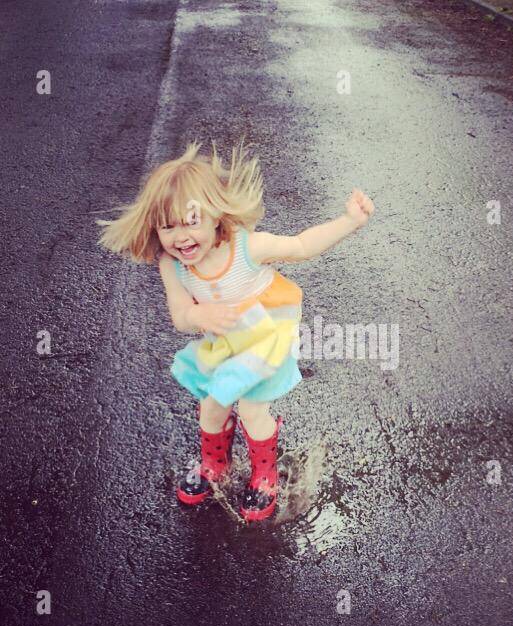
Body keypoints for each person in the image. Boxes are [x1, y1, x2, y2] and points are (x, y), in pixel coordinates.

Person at [97, 139, 374, 521]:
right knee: (212, 405)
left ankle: (265, 477)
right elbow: (180, 315)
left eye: (191, 221)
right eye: (167, 227)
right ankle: (215, 467)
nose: (180, 237)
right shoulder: (172, 265)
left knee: (250, 408)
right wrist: (199, 317)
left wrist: (350, 221)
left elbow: (302, 246)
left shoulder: (247, 249)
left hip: (267, 337)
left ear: (215, 216)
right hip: (226, 344)